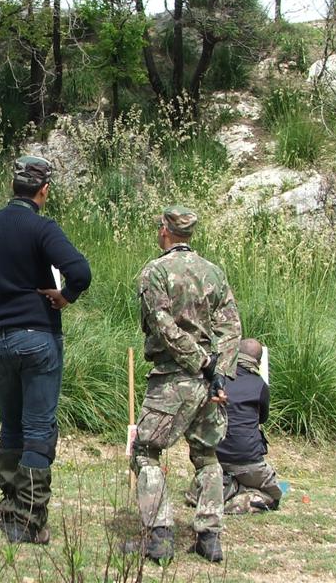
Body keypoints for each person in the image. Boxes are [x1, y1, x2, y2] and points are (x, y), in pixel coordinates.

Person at [0, 155, 92, 544]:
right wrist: (65, 296)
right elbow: (81, 272)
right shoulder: (41, 228)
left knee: (11, 426)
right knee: (37, 428)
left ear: (12, 186)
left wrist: (0, 289)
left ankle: (9, 507)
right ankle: (28, 520)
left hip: (0, 340)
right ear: (43, 190)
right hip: (39, 337)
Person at [130, 206, 241, 564]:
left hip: (173, 379)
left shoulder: (156, 271)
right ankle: (210, 537)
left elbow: (163, 325)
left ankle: (159, 536)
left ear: (164, 231)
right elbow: (231, 327)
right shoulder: (214, 272)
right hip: (208, 383)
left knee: (145, 451)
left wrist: (201, 363)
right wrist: (219, 372)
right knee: (206, 455)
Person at [211, 337, 283, 514]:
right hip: (248, 460)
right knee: (275, 495)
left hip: (215, 456)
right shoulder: (260, 385)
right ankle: (240, 499)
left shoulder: (218, 381)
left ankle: (225, 488)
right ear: (258, 361)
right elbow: (262, 419)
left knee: (210, 480)